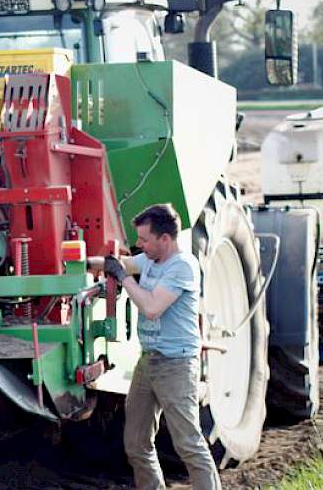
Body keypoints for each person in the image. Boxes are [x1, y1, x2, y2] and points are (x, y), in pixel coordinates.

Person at [89, 203, 220, 490]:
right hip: (148, 363)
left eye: (144, 240)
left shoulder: (183, 266)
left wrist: (122, 277)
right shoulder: (149, 260)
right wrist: (83, 261)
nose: (139, 245)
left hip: (176, 366)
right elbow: (121, 263)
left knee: (188, 443)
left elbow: (151, 308)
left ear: (165, 239)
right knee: (135, 443)